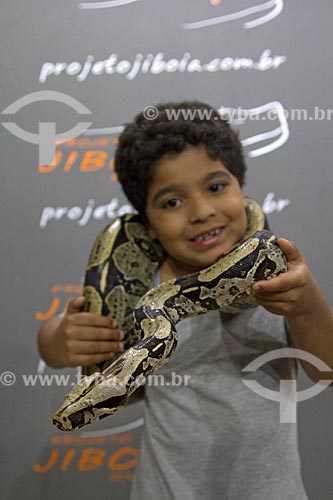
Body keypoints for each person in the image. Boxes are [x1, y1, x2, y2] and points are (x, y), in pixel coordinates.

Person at [38, 101, 333, 500]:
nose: (201, 212)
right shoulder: (148, 290)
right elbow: (57, 347)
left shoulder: (278, 281)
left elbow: (327, 371)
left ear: (242, 189)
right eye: (172, 202)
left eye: (215, 187)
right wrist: (60, 339)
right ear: (147, 228)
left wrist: (305, 303)